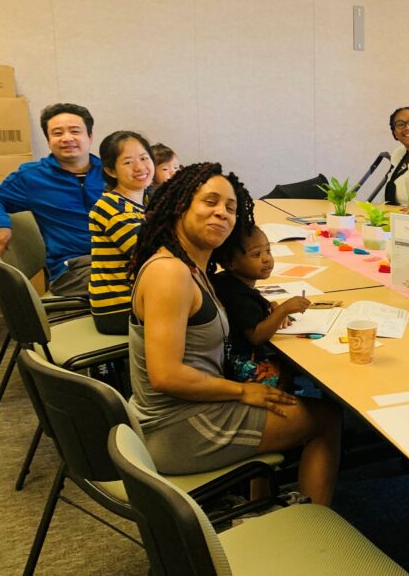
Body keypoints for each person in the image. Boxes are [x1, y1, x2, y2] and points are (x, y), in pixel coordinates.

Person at [128, 162, 341, 505]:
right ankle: (313, 522)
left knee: (283, 382)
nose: (222, 214)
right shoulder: (170, 274)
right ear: (181, 204)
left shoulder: (192, 268)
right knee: (326, 417)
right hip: (180, 428)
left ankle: (264, 502)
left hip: (186, 411)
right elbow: (165, 375)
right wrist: (243, 392)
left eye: (230, 207)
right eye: (210, 202)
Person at [0, 103, 104, 297]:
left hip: (118, 259)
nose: (67, 138)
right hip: (72, 269)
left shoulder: (112, 172)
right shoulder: (32, 177)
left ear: (89, 136)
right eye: (57, 133)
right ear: (48, 141)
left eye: (75, 131)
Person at [212, 225, 311, 389]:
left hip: (229, 358)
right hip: (242, 367)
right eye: (256, 254)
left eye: (268, 251)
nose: (266, 259)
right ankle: (285, 396)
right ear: (230, 263)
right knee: (292, 366)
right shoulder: (238, 296)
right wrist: (284, 309)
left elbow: (256, 304)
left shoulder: (227, 281)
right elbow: (257, 336)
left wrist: (272, 307)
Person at [88, 131, 154, 334]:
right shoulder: (111, 206)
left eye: (144, 158)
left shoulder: (143, 201)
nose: (140, 167)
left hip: (134, 299)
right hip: (118, 308)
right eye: (128, 162)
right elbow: (150, 255)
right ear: (111, 170)